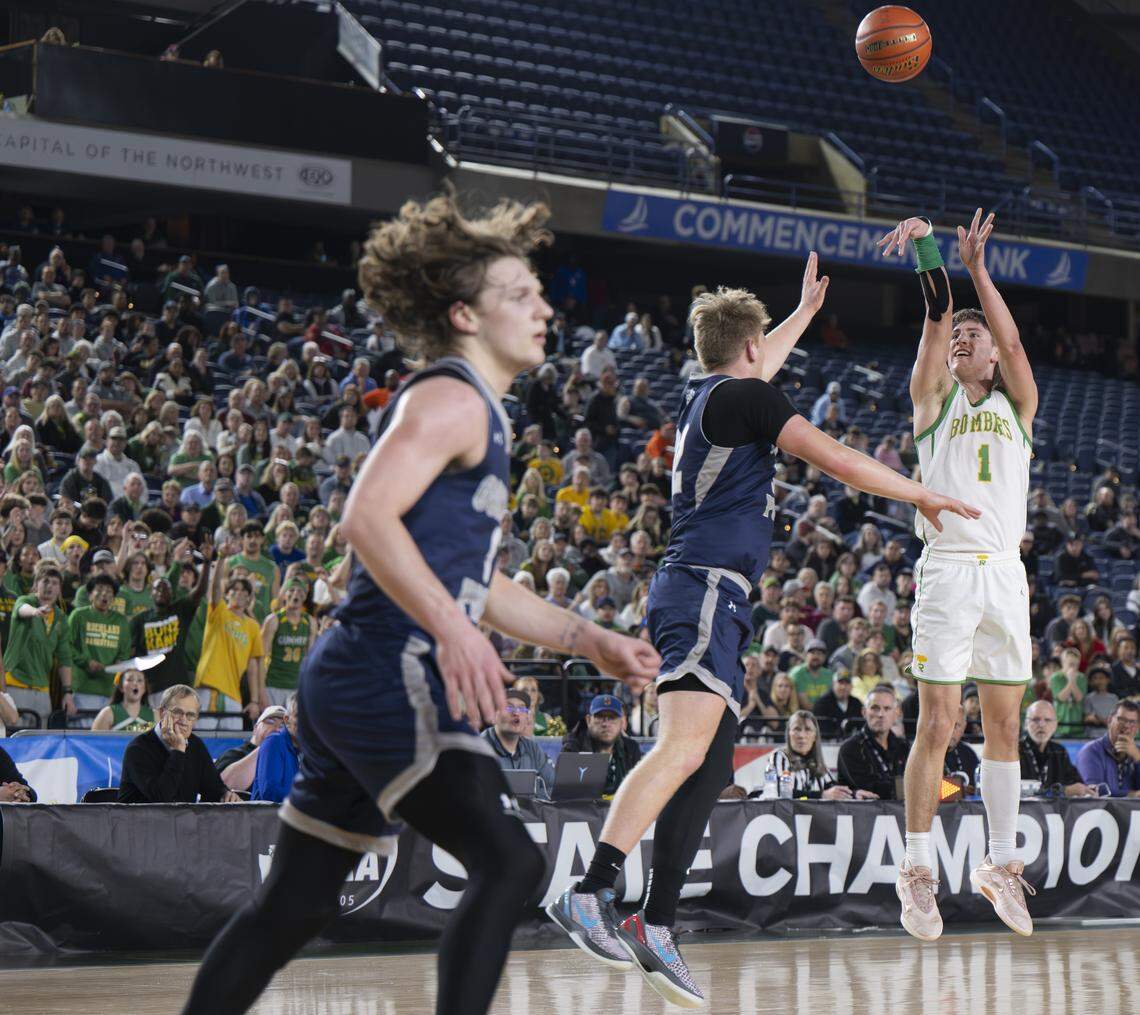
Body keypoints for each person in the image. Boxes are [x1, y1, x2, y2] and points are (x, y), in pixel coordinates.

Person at [180, 192, 657, 1015]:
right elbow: (363, 516)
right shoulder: (454, 397)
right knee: (511, 861)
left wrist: (588, 636)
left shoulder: (480, 410)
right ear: (465, 315)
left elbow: (480, 581)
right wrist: (451, 629)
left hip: (350, 677)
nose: (545, 306)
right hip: (384, 666)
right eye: (520, 294)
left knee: (292, 905)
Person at [547, 254, 976, 1007]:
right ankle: (591, 891)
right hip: (705, 587)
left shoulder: (713, 390)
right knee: (681, 748)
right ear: (751, 353)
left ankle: (658, 920)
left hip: (712, 593)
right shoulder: (744, 397)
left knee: (709, 766)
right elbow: (835, 456)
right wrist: (919, 490)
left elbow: (754, 356)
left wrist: (803, 315)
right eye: (767, 347)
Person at [879, 210, 1039, 941]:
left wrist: (979, 267)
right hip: (947, 570)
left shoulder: (1019, 406)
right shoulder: (932, 403)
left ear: (992, 360)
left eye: (974, 338)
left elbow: (1010, 337)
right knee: (939, 722)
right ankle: (916, 870)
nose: (965, 341)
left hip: (1006, 574)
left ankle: (999, 862)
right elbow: (935, 316)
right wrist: (929, 249)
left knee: (1004, 723)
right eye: (958, 339)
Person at [118, 684, 240, 803]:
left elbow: (213, 789)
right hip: (140, 822)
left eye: (190, 715)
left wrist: (225, 794)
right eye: (177, 712)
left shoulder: (196, 745)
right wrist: (178, 751)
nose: (183, 721)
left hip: (182, 822)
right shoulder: (138, 749)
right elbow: (160, 799)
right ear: (162, 713)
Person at [194, 541, 265, 731]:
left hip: (234, 695)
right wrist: (222, 558)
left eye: (244, 591)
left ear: (250, 598)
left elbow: (253, 666)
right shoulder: (220, 612)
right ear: (228, 594)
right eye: (234, 590)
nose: (239, 593)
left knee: (230, 747)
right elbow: (215, 589)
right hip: (208, 687)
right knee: (202, 742)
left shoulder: (252, 626)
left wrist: (255, 701)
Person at [131, 550, 211, 709]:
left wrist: (207, 563)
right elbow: (133, 655)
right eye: (157, 588)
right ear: (151, 594)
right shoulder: (139, 620)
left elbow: (199, 591)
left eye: (165, 588)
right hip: (152, 687)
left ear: (172, 594)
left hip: (179, 685)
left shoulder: (179, 611)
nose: (161, 591)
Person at [4, 566, 74, 722]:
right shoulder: (25, 601)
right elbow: (21, 609)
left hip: (42, 689)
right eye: (45, 581)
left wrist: (67, 692)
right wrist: (35, 611)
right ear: (36, 585)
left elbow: (64, 658)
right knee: (12, 739)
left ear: (60, 589)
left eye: (55, 583)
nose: (50, 586)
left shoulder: (61, 618)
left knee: (39, 742)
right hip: (15, 684)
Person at [68, 574, 133, 718]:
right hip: (83, 688)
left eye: (109, 592)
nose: (104, 594)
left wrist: (119, 663)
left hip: (110, 689)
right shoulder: (78, 616)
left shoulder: (121, 621)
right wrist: (86, 662)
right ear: (90, 595)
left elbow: (124, 652)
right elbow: (67, 646)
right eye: (100, 589)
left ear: (114, 598)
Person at [756, 710, 859, 799]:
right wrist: (821, 795)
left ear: (815, 736)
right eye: (797, 729)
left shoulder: (817, 763)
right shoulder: (780, 757)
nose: (801, 735)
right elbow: (780, 793)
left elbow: (833, 789)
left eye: (808, 729)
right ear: (788, 733)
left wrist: (855, 793)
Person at [480, 687, 557, 797]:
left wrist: (531, 800)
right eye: (509, 707)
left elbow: (552, 786)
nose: (516, 713)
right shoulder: (479, 748)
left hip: (530, 813)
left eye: (522, 709)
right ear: (493, 716)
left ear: (527, 718)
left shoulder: (533, 749)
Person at [560, 693, 642, 796]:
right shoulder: (573, 747)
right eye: (600, 717)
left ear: (621, 723)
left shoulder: (631, 749)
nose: (606, 724)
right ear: (588, 720)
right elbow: (566, 798)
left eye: (612, 718)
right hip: (585, 811)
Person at [837, 684, 908, 799]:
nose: (881, 714)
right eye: (875, 708)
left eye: (887, 708)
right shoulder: (850, 748)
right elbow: (869, 789)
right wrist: (910, 787)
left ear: (896, 714)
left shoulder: (903, 746)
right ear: (864, 712)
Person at [1020, 700, 1096, 797]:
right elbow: (1020, 793)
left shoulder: (1059, 751)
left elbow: (1075, 783)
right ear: (1026, 724)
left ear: (1055, 725)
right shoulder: (1015, 751)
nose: (1042, 724)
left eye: (1047, 720)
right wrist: (1063, 791)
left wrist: (1087, 790)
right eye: (1036, 719)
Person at [260, 581, 315, 707]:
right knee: (273, 725)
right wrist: (261, 691)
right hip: (273, 683)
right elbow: (261, 657)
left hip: (297, 685)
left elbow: (309, 659)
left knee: (294, 725)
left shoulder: (310, 622)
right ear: (284, 594)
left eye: (300, 591)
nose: (296, 594)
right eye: (291, 590)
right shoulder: (273, 620)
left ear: (305, 596)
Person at [215, 704, 289, 792]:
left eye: (282, 726)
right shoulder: (234, 754)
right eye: (270, 722)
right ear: (255, 728)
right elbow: (222, 786)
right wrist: (267, 746)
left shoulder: (289, 761)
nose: (277, 729)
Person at [1075, 700, 1140, 797]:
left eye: (1132, 722)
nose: (1126, 726)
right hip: (1100, 811)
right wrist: (1133, 795)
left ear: (1138, 727)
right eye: (1121, 719)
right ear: (1109, 720)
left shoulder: (1137, 752)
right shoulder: (1090, 751)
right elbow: (1094, 791)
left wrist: (1138, 759)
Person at [251, 695, 301, 803]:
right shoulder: (274, 742)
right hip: (264, 818)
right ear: (287, 720)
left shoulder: (305, 752)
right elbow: (270, 792)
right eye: (299, 716)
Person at [92, 667, 156, 732]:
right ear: (121, 687)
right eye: (130, 680)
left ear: (144, 688)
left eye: (139, 680)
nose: (135, 683)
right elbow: (95, 741)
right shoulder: (107, 713)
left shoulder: (155, 715)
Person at [812, 670, 863, 739]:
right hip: (827, 744)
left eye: (847, 683)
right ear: (833, 684)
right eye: (840, 683)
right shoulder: (821, 703)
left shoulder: (857, 703)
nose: (843, 687)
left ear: (851, 686)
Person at [943, 705, 980, 791]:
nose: (951, 730)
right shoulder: (927, 753)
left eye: (956, 726)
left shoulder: (969, 754)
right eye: (947, 724)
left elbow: (977, 788)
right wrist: (960, 790)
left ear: (963, 727)